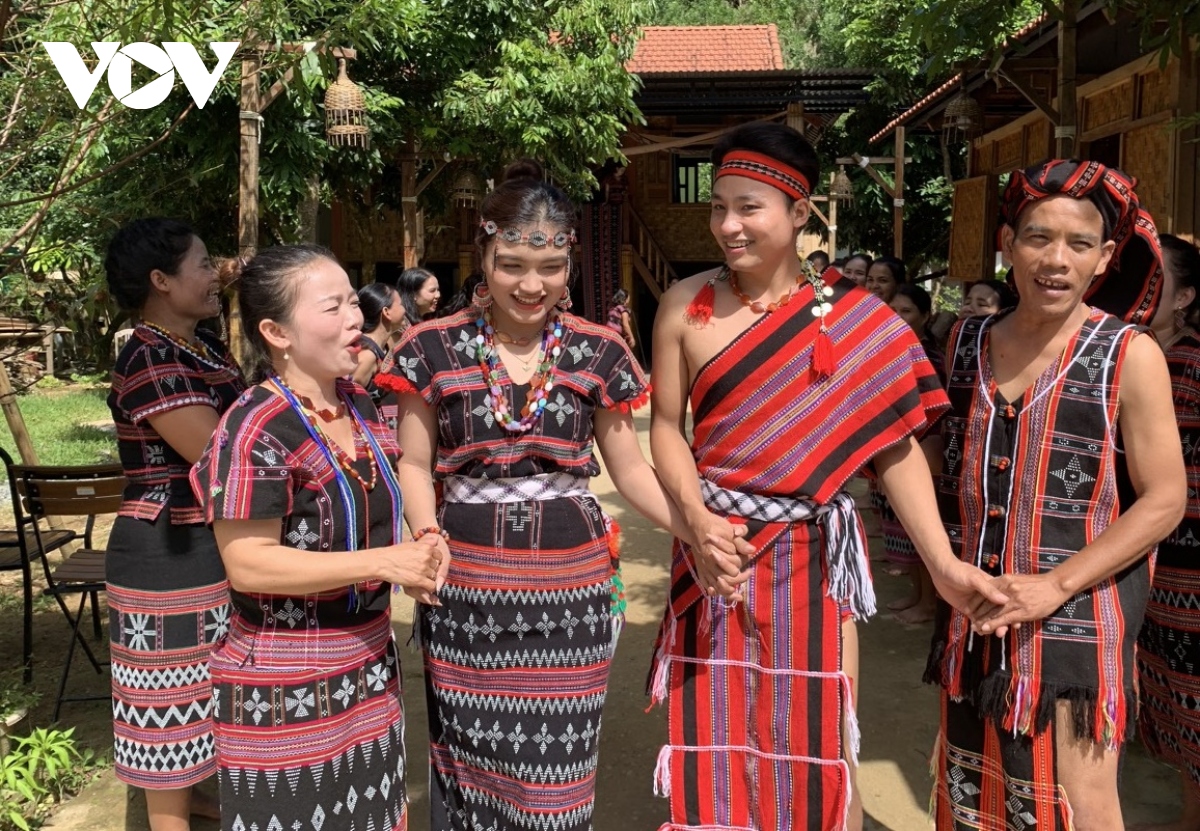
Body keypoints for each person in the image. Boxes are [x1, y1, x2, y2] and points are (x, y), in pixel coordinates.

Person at [647, 122, 1005, 830]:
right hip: (716, 550)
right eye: (719, 206)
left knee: (813, 732)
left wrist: (940, 563)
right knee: (717, 727)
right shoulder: (683, 304)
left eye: (749, 207)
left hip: (813, 554)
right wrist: (695, 522)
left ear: (799, 211)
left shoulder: (856, 317)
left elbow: (895, 448)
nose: (728, 225)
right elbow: (665, 427)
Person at [381, 159, 731, 831]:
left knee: (557, 778)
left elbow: (628, 470)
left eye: (550, 266)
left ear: (570, 261)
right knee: (467, 763)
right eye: (511, 264)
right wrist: (425, 534)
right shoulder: (431, 348)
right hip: (466, 592)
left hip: (570, 596)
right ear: (482, 256)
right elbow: (417, 464)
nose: (531, 284)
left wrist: (696, 527)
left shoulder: (597, 352)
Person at [926, 160, 1185, 830]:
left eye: (1078, 244)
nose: (1056, 260)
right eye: (1039, 238)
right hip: (976, 608)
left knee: (1078, 799)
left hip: (1080, 617)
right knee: (970, 784)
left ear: (1105, 258)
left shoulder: (1129, 355)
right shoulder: (963, 343)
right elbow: (930, 464)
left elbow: (1164, 499)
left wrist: (1053, 584)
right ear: (1008, 245)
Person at [189, 244, 442, 831]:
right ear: (276, 331)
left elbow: (398, 480)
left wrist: (424, 537)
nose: (356, 317)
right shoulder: (253, 426)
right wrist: (385, 562)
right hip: (286, 677)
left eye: (354, 301)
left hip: (368, 665)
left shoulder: (356, 402)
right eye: (333, 307)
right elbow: (249, 565)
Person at [104, 218, 246, 831]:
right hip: (166, 553)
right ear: (161, 281)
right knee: (168, 727)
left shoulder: (203, 345)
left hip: (206, 542)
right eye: (203, 263)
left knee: (207, 700)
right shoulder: (147, 354)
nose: (216, 275)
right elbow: (216, 451)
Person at [1137, 234, 1200, 831]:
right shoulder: (1124, 355)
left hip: (1189, 562)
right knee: (1171, 692)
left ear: (1184, 299)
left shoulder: (1194, 364)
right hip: (1145, 559)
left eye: (1156, 281)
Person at [877, 282, 946, 623]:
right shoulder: (891, 348)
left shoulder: (929, 355)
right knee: (909, 530)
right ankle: (919, 595)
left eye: (906, 311)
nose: (897, 317)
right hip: (899, 448)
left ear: (924, 316)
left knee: (923, 529)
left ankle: (929, 603)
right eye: (892, 310)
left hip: (923, 449)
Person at [353, 282, 405, 429]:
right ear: (386, 312)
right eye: (400, 304)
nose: (404, 310)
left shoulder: (381, 347)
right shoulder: (367, 354)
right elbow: (349, 398)